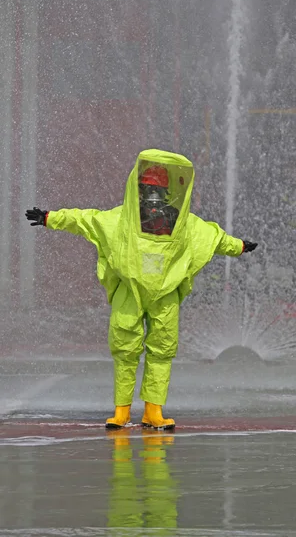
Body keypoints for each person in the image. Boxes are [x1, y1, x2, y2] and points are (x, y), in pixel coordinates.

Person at [25, 149, 257, 430]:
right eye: (148, 190)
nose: (152, 197)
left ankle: (153, 411)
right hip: (132, 291)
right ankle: (122, 411)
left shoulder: (180, 223)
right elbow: (86, 220)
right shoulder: (123, 220)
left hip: (164, 293)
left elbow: (215, 237)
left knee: (162, 349)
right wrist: (51, 218)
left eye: (156, 191)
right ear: (138, 189)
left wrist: (239, 246)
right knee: (125, 348)